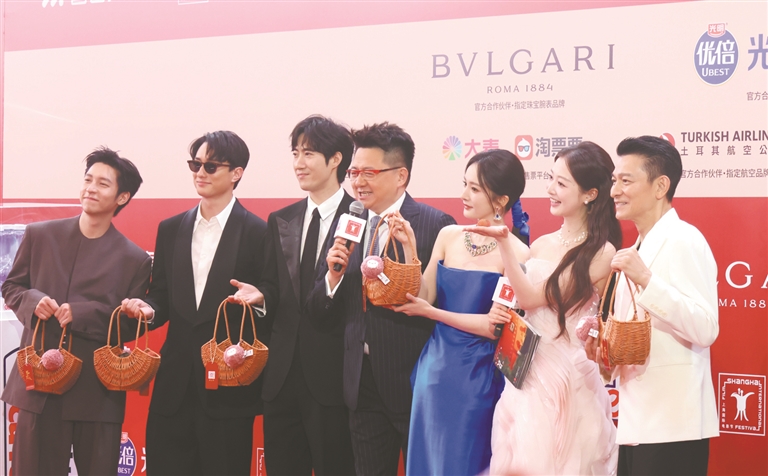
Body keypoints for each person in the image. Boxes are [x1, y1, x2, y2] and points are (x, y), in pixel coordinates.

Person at [307, 122, 456, 475]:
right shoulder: (348, 223)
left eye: (369, 173)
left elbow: (444, 308)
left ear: (401, 175)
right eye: (354, 172)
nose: (358, 182)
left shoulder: (435, 225)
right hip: (360, 385)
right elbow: (317, 308)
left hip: (415, 382)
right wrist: (332, 277)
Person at [468, 141, 621, 475]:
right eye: (551, 179)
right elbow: (519, 303)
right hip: (524, 374)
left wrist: (505, 243)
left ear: (590, 194)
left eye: (561, 183)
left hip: (568, 378)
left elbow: (532, 298)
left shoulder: (602, 253)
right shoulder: (540, 244)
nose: (550, 189)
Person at [121, 131, 269, 476]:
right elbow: (161, 295)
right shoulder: (171, 228)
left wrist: (260, 300)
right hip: (174, 386)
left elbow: (271, 299)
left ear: (236, 173)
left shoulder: (259, 232)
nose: (200, 173)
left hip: (229, 388)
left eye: (211, 166)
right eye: (195, 164)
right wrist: (148, 309)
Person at [2, 147, 151, 476]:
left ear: (122, 197)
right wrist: (33, 301)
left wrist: (83, 313)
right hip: (40, 385)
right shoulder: (41, 235)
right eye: (88, 180)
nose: (91, 189)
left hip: (97, 391)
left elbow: (130, 327)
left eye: (103, 184)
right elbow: (11, 286)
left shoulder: (134, 258)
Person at [386, 149, 529, 475]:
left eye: (474, 188)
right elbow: (423, 295)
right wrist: (409, 247)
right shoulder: (449, 235)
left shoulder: (518, 253)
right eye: (465, 184)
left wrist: (432, 313)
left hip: (477, 378)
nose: (464, 194)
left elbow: (494, 327)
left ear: (501, 200)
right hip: (433, 372)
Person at [586, 136, 719, 476]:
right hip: (638, 422)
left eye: (626, 181)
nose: (615, 191)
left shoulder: (684, 239)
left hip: (673, 425)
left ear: (661, 186)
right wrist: (604, 352)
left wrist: (647, 280)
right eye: (614, 180)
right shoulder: (638, 246)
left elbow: (706, 328)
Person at [255, 115, 355, 475]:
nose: (299, 162)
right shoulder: (281, 219)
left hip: (333, 378)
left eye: (309, 153)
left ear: (336, 159)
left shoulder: (362, 219)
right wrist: (260, 297)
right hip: (281, 378)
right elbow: (273, 286)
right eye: (295, 153)